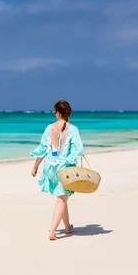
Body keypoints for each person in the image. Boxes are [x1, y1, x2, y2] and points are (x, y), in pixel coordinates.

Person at [30, 100, 84, 240]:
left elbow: (43, 149)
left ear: (58, 113)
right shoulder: (73, 129)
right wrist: (68, 160)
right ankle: (52, 232)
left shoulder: (49, 128)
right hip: (63, 169)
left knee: (62, 197)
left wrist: (35, 167)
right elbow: (78, 150)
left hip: (50, 168)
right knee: (61, 199)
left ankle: (67, 227)